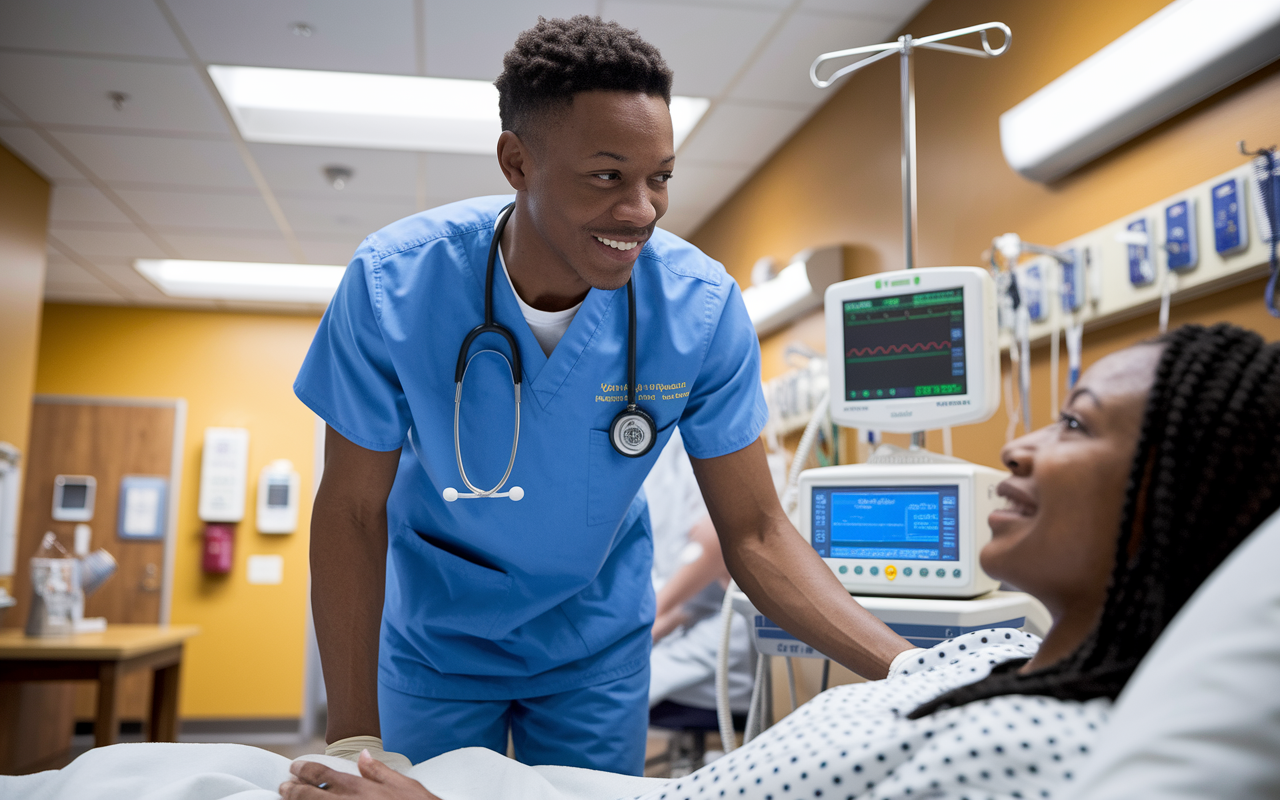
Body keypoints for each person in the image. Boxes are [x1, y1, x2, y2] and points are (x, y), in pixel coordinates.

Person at [281, 323, 1280, 799]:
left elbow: (747, 534)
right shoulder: (996, 655)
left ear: (1171, 491)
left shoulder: (1038, 744)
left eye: (1072, 424)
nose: (1018, 443)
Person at [294, 15, 913, 777]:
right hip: (438, 639)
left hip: (594, 644)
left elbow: (754, 532)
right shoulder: (397, 282)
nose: (643, 210)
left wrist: (912, 669)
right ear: (517, 163)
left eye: (660, 178)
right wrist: (354, 738)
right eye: (607, 176)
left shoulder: (699, 309)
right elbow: (353, 510)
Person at [644, 429, 753, 716]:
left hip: (708, 627)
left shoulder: (703, 426)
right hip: (665, 619)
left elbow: (716, 536)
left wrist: (654, 616)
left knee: (596, 695)